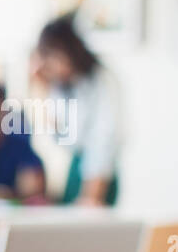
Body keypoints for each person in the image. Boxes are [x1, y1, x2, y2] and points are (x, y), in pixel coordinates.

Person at [29, 13, 122, 206]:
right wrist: (41, 89)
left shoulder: (101, 82)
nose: (50, 66)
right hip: (76, 168)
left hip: (100, 175)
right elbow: (61, 137)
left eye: (52, 56)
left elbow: (104, 141)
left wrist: (92, 195)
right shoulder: (61, 86)